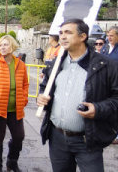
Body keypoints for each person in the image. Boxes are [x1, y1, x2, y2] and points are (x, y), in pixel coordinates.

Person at [37, 18, 118, 172]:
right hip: (57, 138)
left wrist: (98, 108)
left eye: (68, 32)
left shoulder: (106, 66)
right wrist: (41, 97)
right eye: (61, 33)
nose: (62, 36)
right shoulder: (56, 64)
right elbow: (44, 88)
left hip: (87, 140)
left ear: (83, 36)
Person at [0, 35, 29, 172]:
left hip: (15, 109)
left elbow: (25, 84)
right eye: (1, 45)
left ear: (13, 46)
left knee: (19, 137)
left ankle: (12, 162)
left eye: (6, 44)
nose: (2, 47)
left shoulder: (20, 64)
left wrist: (24, 98)